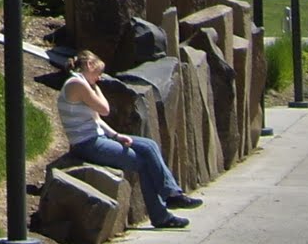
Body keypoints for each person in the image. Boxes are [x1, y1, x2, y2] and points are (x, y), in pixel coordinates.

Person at [58, 51, 203, 229]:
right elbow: (104, 109)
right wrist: (95, 88)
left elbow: (96, 119)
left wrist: (116, 135)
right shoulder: (77, 84)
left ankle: (172, 194)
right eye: (98, 73)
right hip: (86, 144)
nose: (100, 78)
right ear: (89, 65)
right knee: (142, 162)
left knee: (149, 145)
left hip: (99, 138)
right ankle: (163, 212)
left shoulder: (81, 84)